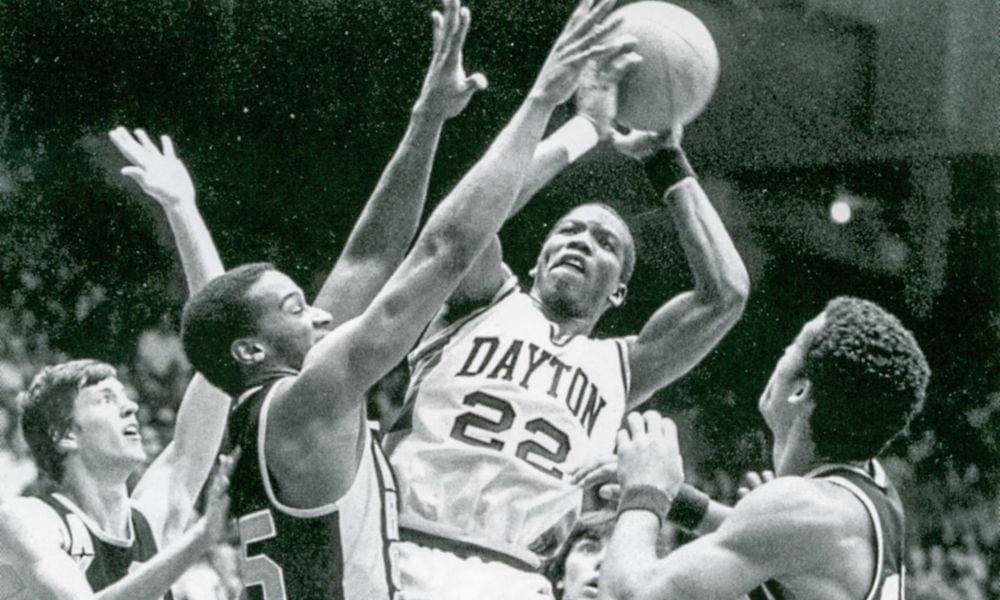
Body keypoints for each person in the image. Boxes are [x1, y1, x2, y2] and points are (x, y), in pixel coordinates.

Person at [179, 0, 629, 597]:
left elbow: (371, 255)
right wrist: (542, 102)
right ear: (252, 349)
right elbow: (447, 250)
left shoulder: (283, 398)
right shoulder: (309, 398)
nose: (317, 311)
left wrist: (428, 119)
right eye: (294, 308)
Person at [382, 10, 750, 599]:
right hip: (401, 544)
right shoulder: (482, 297)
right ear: (538, 258)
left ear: (619, 291)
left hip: (516, 573)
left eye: (606, 242)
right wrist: (581, 132)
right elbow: (473, 217)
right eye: (570, 231)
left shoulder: (621, 367)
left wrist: (666, 163)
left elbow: (726, 295)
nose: (582, 240)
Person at [0, 126, 237, 600]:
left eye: (126, 398)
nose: (131, 408)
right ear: (66, 434)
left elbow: (222, 353)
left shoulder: (153, 514)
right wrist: (196, 542)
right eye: (107, 400)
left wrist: (182, 208)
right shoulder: (27, 521)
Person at [600, 296, 930, 599]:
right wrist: (680, 502)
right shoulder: (869, 494)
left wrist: (645, 494)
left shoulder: (805, 508)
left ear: (800, 392)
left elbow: (627, 596)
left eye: (793, 345)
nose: (781, 353)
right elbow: (775, 541)